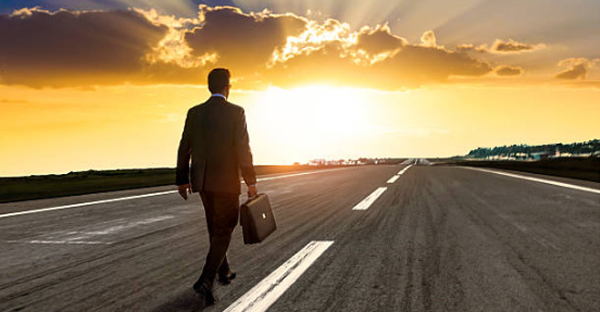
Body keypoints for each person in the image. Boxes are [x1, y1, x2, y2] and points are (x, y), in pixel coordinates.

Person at [175, 68, 258, 306]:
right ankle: (206, 279)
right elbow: (244, 149)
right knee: (224, 229)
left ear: (209, 86)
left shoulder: (195, 112)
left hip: (202, 181)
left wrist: (182, 179)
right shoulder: (236, 112)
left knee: (215, 226)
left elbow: (184, 147)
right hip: (226, 182)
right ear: (227, 87)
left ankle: (224, 271)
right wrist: (251, 182)